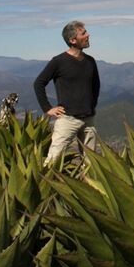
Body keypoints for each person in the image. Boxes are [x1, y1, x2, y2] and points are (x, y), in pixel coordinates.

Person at [34, 21, 100, 165]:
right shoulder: (58, 62)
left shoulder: (90, 61)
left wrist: (90, 107)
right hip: (67, 119)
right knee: (53, 161)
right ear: (73, 40)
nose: (88, 35)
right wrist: (47, 108)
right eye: (83, 33)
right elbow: (39, 83)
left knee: (91, 164)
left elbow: (96, 86)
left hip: (89, 120)